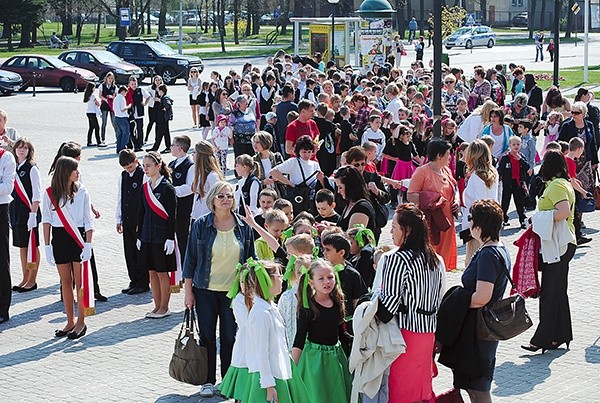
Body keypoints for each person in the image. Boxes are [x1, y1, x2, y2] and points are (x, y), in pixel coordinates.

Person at [183, 181, 256, 398]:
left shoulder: (244, 227)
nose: (226, 200)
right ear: (213, 200)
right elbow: (190, 261)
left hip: (233, 293)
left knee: (229, 337)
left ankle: (227, 380)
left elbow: (251, 261)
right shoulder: (201, 224)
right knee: (206, 336)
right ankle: (207, 381)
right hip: (204, 290)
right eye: (221, 196)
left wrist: (251, 292)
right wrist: (188, 292)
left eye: (230, 196)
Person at [437, 199, 510, 403]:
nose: (468, 223)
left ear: (479, 226)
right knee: (474, 387)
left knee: (478, 389)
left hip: (478, 331)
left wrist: (454, 301)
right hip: (480, 329)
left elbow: (482, 297)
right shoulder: (498, 247)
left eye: (471, 219)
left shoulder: (489, 254)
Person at [376, 203, 445, 402]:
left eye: (394, 227)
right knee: (421, 390)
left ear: (407, 231)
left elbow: (387, 308)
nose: (390, 231)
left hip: (403, 335)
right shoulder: (435, 259)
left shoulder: (395, 259)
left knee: (401, 391)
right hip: (427, 333)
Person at [522, 150, 576, 354]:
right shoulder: (562, 183)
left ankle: (543, 338)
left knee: (550, 292)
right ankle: (560, 335)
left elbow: (563, 212)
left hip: (559, 245)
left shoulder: (556, 186)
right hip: (563, 243)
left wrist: (537, 219)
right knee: (558, 290)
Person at [241, 259, 311, 403]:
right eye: (279, 276)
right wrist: (269, 385)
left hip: (278, 371)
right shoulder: (261, 313)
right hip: (269, 378)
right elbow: (261, 351)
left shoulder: (271, 307)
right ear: (268, 280)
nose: (282, 279)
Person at [42, 156, 94, 338]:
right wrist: (47, 246)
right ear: (65, 172)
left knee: (79, 283)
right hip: (60, 238)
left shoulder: (83, 192)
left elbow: (88, 220)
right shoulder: (50, 193)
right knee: (65, 281)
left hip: (78, 238)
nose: (78, 173)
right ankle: (70, 321)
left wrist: (88, 244)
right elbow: (46, 221)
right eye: (75, 170)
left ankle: (81, 322)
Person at [292, 258, 353, 403]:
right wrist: (292, 369)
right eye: (321, 278)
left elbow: (340, 332)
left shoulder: (337, 302)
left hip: (335, 358)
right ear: (311, 282)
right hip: (315, 360)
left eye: (330, 277)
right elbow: (299, 339)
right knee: (317, 396)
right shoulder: (307, 307)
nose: (327, 282)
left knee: (336, 395)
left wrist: (356, 340)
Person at [408, 139, 458, 271]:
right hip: (431, 223)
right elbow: (411, 195)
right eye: (448, 154)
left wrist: (456, 201)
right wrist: (431, 199)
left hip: (446, 222)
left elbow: (454, 188)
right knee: (430, 258)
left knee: (443, 261)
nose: (450, 157)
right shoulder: (422, 171)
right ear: (438, 155)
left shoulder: (446, 170)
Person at [137, 152, 176, 319]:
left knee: (162, 272)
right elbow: (142, 212)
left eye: (148, 165)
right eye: (143, 165)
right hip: (147, 235)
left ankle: (164, 307)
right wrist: (139, 235)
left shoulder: (167, 187)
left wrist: (169, 237)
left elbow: (172, 214)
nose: (145, 168)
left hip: (161, 236)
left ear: (158, 166)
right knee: (151, 271)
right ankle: (156, 305)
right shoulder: (145, 187)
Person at [9, 138, 42, 293]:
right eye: (19, 147)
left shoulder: (32, 168)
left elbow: (37, 194)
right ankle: (25, 277)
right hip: (16, 212)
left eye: (25, 148)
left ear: (29, 151)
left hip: (29, 213)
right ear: (15, 150)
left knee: (32, 246)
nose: (21, 150)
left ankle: (32, 280)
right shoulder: (13, 167)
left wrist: (33, 214)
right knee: (22, 247)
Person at [116, 149, 148, 295]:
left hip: (138, 220)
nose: (128, 170)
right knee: (129, 251)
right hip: (127, 219)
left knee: (140, 252)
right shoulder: (123, 176)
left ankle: (143, 282)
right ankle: (133, 279)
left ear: (136, 161)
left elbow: (145, 200)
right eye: (125, 168)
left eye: (130, 167)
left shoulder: (143, 175)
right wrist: (119, 218)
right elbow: (120, 198)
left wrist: (141, 221)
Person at [461, 140, 499, 265]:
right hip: (490, 223)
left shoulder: (476, 177)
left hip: (477, 226)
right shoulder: (493, 173)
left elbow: (479, 204)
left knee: (473, 264)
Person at [558, 101, 598, 191]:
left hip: (586, 162)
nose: (574, 115)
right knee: (573, 186)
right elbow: (559, 142)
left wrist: (595, 161)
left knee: (589, 187)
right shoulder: (567, 125)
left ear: (583, 113)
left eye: (577, 113)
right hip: (572, 161)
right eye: (572, 112)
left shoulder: (589, 125)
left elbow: (592, 144)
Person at [334, 165, 378, 239]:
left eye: (340, 187)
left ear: (350, 186)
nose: (338, 191)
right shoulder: (350, 203)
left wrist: (329, 231)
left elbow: (351, 238)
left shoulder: (361, 208)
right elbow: (344, 227)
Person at [168, 135, 195, 260]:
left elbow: (190, 187)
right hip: (171, 208)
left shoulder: (190, 165)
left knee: (183, 239)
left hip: (184, 209)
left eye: (173, 145)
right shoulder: (172, 164)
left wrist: (172, 191)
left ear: (179, 148)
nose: (171, 147)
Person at [498, 136, 529, 228]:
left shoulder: (521, 156)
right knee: (505, 202)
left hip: (518, 183)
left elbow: (527, 167)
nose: (516, 146)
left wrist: (520, 160)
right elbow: (500, 170)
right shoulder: (505, 158)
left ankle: (522, 220)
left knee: (520, 203)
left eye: (518, 144)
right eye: (514, 144)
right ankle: (503, 219)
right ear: (510, 145)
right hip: (507, 183)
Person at [0, 143, 15, 323]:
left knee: (1, 258)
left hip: (1, 209)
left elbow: (7, 187)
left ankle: (3, 308)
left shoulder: (6, 157)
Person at [190, 140, 224, 221]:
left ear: (201, 155)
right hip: (197, 216)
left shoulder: (212, 176)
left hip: (209, 218)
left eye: (194, 152)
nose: (192, 155)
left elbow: (219, 198)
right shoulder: (198, 173)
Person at [252, 131, 285, 198]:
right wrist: (263, 182)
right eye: (254, 142)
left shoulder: (277, 157)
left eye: (257, 142)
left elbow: (286, 175)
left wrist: (278, 178)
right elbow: (251, 181)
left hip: (278, 194)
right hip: (262, 196)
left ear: (265, 142)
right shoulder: (253, 160)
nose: (255, 144)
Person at [125, 76, 151, 152]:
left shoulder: (140, 90)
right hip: (130, 112)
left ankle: (139, 144)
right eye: (132, 84)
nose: (134, 85)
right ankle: (133, 144)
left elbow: (148, 96)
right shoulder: (127, 91)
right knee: (131, 130)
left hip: (139, 112)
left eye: (135, 83)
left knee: (140, 129)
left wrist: (145, 103)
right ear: (129, 84)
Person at [98, 73, 117, 145]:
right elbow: (100, 95)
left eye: (112, 78)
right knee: (104, 123)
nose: (110, 80)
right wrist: (105, 99)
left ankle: (117, 137)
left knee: (114, 123)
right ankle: (103, 139)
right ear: (106, 78)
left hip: (112, 106)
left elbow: (115, 96)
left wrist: (111, 97)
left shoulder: (114, 87)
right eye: (109, 78)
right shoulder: (102, 86)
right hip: (104, 106)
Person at [83, 82, 103, 147]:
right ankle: (99, 141)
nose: (95, 89)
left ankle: (89, 141)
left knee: (91, 127)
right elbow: (98, 103)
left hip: (88, 112)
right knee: (97, 127)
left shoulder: (87, 95)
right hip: (92, 113)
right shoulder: (93, 96)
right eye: (94, 87)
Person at [145, 75, 163, 143]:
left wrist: (159, 99)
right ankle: (146, 138)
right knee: (151, 122)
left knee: (158, 124)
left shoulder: (163, 87)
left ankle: (157, 139)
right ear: (154, 81)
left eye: (159, 80)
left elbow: (165, 98)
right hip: (152, 107)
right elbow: (146, 94)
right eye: (156, 80)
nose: (158, 82)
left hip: (159, 107)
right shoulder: (150, 87)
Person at [113, 86, 131, 154]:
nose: (126, 94)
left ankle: (118, 148)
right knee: (126, 133)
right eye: (126, 92)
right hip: (123, 117)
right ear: (123, 91)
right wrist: (128, 106)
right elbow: (123, 109)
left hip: (117, 117)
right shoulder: (122, 98)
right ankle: (123, 147)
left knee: (119, 134)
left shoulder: (116, 98)